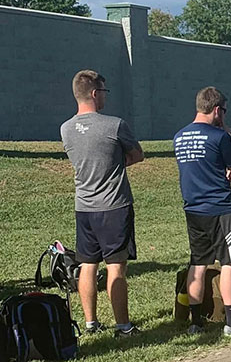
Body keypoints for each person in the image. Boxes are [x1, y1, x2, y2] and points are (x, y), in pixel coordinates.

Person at [173, 86, 231, 339]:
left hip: (194, 209)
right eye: (223, 111)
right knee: (229, 264)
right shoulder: (219, 136)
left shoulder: (179, 136)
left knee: (198, 263)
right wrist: (228, 138)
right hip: (222, 208)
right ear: (216, 109)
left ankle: (195, 322)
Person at [60, 70, 144, 338]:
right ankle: (123, 326)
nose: (105, 96)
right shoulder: (114, 125)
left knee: (87, 264)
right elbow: (137, 154)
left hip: (83, 206)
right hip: (114, 206)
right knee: (116, 267)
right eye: (104, 92)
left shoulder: (66, 129)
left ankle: (90, 323)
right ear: (95, 94)